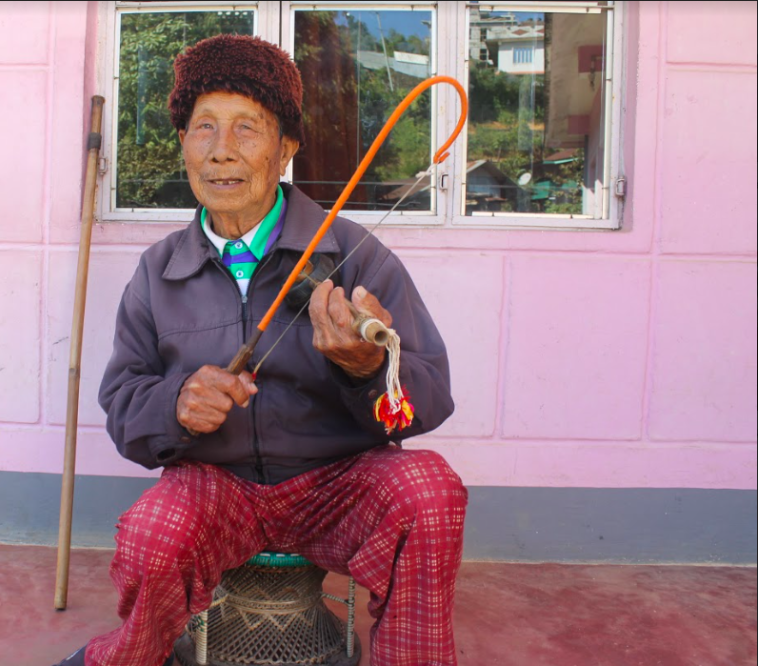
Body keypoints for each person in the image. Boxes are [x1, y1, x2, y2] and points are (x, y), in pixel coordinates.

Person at [53, 34, 467, 666]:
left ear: (286, 147)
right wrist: (176, 404)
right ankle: (128, 657)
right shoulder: (158, 271)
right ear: (183, 143)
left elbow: (428, 400)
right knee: (152, 532)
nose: (222, 150)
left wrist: (369, 369)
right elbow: (124, 410)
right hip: (216, 488)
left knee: (429, 492)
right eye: (204, 127)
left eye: (247, 127)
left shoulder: (354, 254)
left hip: (338, 485)